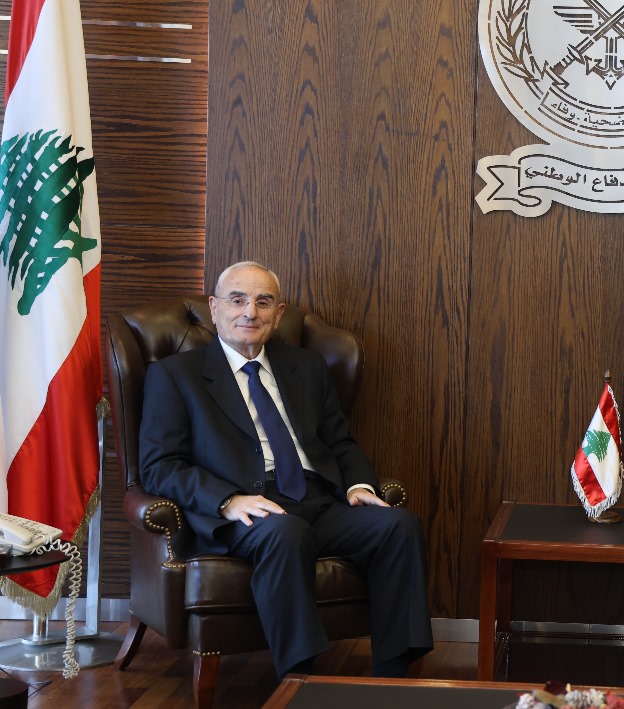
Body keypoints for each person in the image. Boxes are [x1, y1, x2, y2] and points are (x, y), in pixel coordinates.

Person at [138, 261, 433, 679]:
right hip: (243, 509)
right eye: (237, 300)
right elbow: (159, 466)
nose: (250, 312)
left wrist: (359, 485)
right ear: (215, 308)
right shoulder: (175, 375)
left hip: (317, 497)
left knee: (398, 526)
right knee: (286, 532)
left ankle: (393, 679)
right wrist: (227, 501)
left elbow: (339, 442)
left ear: (278, 315)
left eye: (263, 302)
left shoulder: (307, 367)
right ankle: (301, 680)